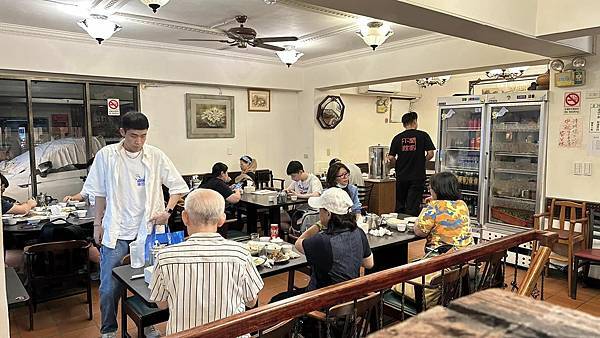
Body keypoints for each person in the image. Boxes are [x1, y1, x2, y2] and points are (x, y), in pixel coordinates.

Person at [83, 112, 189, 338]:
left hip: (149, 231)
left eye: (143, 136)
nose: (139, 141)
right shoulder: (107, 155)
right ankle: (109, 329)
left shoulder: (156, 155)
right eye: (133, 136)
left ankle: (148, 324)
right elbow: (99, 194)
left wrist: (167, 212)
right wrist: (97, 225)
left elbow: (178, 186)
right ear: (122, 132)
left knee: (150, 283)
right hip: (117, 231)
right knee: (109, 286)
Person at [149, 189, 263, 335]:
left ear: (185, 218)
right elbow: (251, 302)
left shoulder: (165, 257)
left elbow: (161, 304)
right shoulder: (240, 253)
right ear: (222, 219)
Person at [296, 187, 373, 291]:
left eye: (320, 210)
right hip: (352, 297)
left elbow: (298, 243)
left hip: (323, 299)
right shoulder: (359, 232)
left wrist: (318, 225)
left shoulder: (322, 240)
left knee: (277, 299)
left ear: (328, 213)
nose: (319, 213)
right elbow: (369, 264)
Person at [387, 111, 436, 216]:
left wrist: (398, 165)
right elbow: (431, 154)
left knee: (400, 203)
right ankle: (411, 227)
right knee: (413, 205)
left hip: (401, 176)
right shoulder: (423, 136)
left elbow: (391, 157)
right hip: (417, 176)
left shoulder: (397, 138)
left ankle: (398, 225)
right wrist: (421, 161)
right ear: (415, 122)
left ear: (404, 124)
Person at [414, 172, 473, 253]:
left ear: (437, 190)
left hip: (442, 257)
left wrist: (425, 208)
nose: (429, 190)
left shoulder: (434, 206)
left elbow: (420, 232)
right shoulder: (462, 204)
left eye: (430, 188)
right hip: (465, 255)